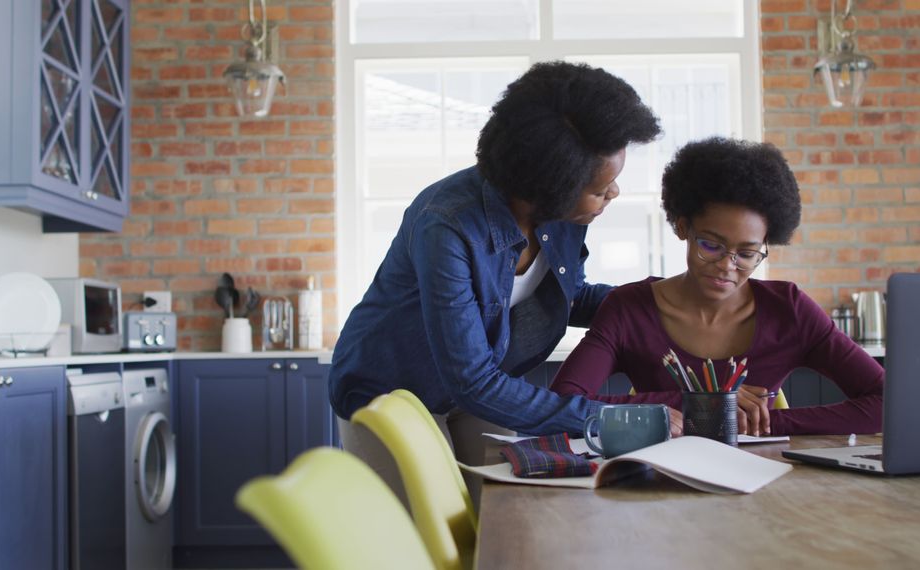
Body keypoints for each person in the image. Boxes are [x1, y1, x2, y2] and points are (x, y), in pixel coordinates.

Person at [329, 61, 661, 503]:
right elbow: (474, 380)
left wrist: (660, 300)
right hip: (393, 391)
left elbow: (563, 294)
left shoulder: (562, 213)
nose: (613, 194)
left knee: (507, 511)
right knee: (435, 529)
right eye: (602, 189)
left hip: (479, 392)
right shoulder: (446, 224)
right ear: (551, 186)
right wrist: (609, 417)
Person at [550, 137, 883, 436]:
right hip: (661, 480)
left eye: (748, 253)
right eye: (711, 245)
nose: (727, 265)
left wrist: (766, 424)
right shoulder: (629, 309)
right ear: (683, 228)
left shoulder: (789, 310)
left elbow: (886, 402)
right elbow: (563, 402)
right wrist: (703, 405)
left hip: (764, 482)